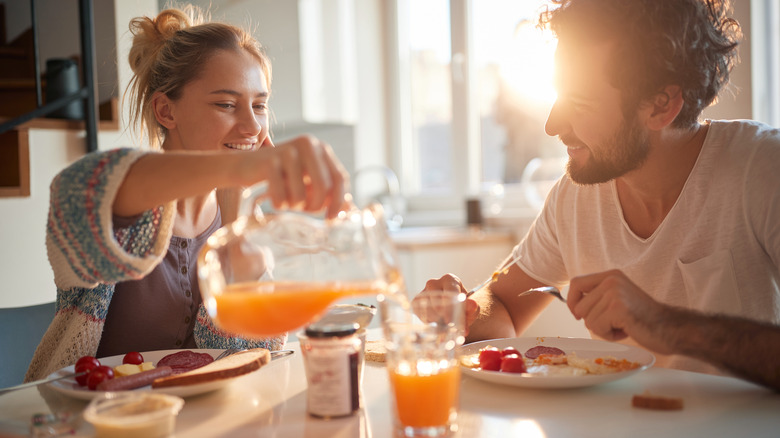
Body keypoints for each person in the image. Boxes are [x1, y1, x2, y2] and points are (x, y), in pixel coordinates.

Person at [422, 0, 780, 391]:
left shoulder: (762, 169)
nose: (552, 124)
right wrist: (464, 311)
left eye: (580, 102)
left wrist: (669, 325)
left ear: (661, 104)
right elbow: (504, 303)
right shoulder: (574, 198)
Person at [25, 6, 348, 382]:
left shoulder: (241, 223)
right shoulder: (123, 209)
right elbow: (78, 188)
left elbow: (251, 363)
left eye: (259, 105)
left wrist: (235, 231)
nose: (251, 126)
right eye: (226, 104)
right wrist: (242, 166)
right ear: (165, 110)